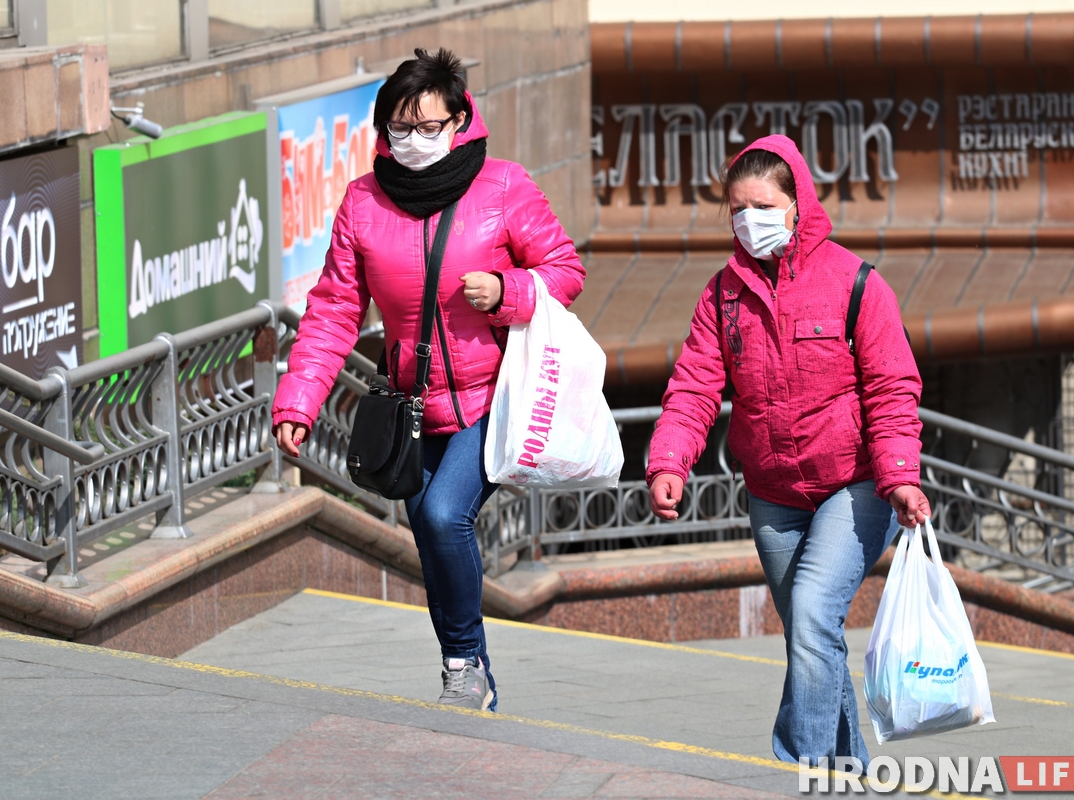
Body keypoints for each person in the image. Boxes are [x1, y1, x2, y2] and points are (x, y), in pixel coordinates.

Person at [272, 48, 585, 712]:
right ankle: (462, 667)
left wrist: (506, 290)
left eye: (428, 126)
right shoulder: (362, 202)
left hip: (493, 396)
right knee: (430, 535)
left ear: (460, 120)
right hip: (411, 408)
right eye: (400, 128)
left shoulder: (503, 186)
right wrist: (298, 400)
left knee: (444, 516)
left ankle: (466, 665)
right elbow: (333, 311)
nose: (413, 140)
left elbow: (565, 270)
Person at [646, 134, 930, 769]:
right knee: (811, 633)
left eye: (764, 207)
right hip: (774, 496)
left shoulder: (856, 283)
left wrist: (900, 477)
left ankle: (805, 767)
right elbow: (694, 386)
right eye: (737, 210)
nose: (750, 221)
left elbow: (892, 387)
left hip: (855, 485)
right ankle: (847, 773)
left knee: (811, 612)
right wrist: (669, 462)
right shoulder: (722, 296)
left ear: (798, 203)